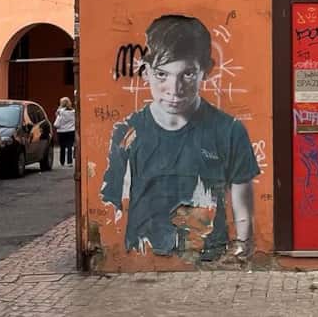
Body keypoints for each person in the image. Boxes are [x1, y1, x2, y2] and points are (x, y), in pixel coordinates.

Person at [100, 14, 259, 260]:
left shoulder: (229, 131)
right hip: (142, 260)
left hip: (209, 262)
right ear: (146, 72)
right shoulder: (126, 132)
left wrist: (241, 255)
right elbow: (111, 208)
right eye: (162, 75)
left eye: (187, 74)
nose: (174, 90)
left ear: (205, 72)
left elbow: (243, 212)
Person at [53, 98, 76, 167]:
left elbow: (57, 119)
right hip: (71, 130)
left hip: (61, 131)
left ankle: (62, 161)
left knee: (62, 147)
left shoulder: (59, 111)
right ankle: (69, 162)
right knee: (70, 146)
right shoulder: (73, 111)